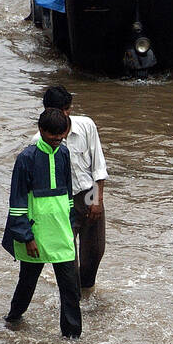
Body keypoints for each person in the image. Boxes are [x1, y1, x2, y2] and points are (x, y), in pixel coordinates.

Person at [2, 108, 81, 340]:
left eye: (61, 136)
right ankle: (13, 319)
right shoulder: (26, 159)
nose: (57, 141)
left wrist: (71, 225)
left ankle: (72, 338)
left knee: (70, 288)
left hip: (60, 231)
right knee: (27, 282)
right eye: (52, 136)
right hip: (35, 232)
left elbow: (68, 193)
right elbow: (16, 203)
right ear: (41, 131)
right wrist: (27, 236)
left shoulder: (63, 154)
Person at [42, 85, 107, 298]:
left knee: (95, 251)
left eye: (66, 110)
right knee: (68, 255)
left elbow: (98, 166)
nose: (63, 115)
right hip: (62, 201)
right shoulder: (40, 141)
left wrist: (97, 199)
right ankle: (72, 297)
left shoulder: (86, 126)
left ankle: (86, 292)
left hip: (88, 193)